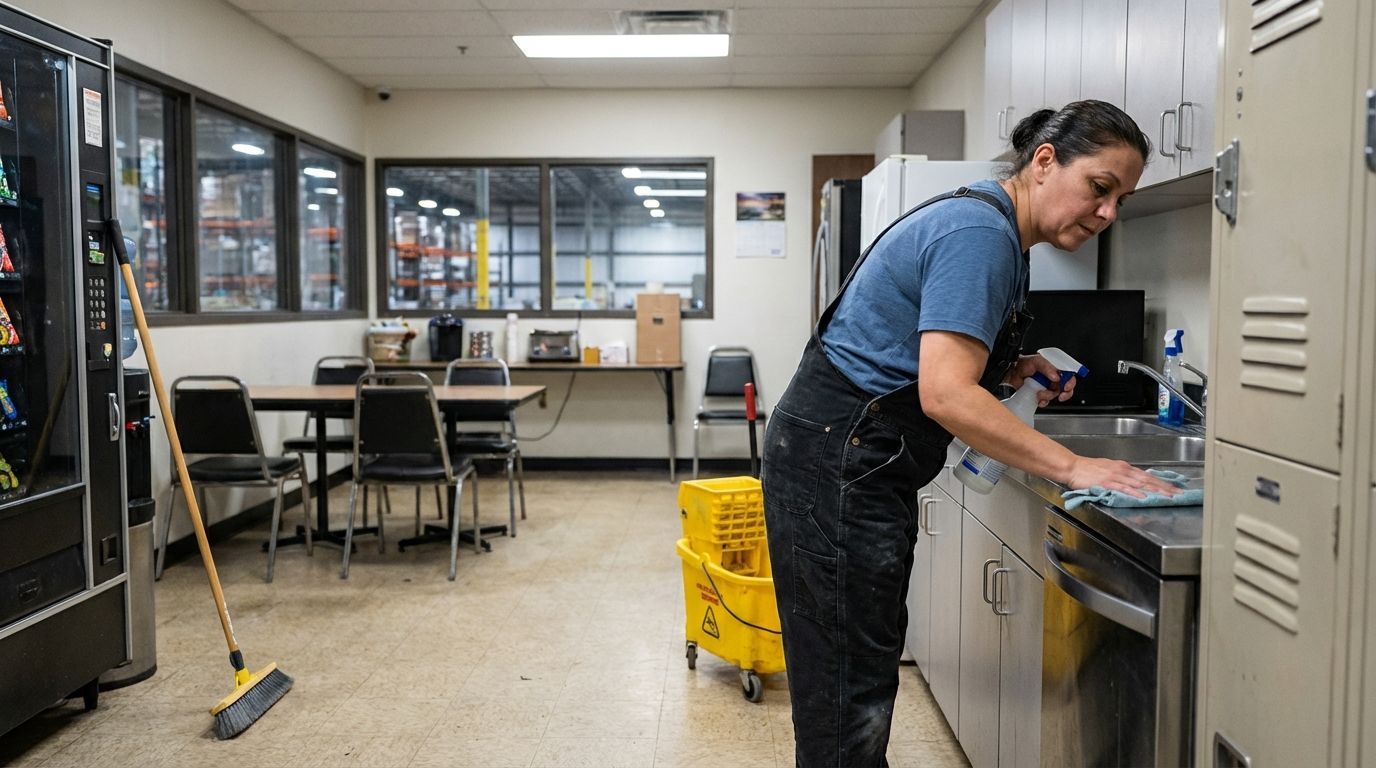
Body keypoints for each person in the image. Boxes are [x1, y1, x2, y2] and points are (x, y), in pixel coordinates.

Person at [761, 100, 1182, 766]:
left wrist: (1008, 366)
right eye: (1100, 188)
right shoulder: (979, 233)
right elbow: (945, 393)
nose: (1107, 214)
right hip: (839, 463)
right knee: (847, 691)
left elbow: (919, 356)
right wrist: (1072, 467)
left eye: (1120, 200)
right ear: (1045, 161)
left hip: (843, 455)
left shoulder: (998, 231)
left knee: (852, 672)